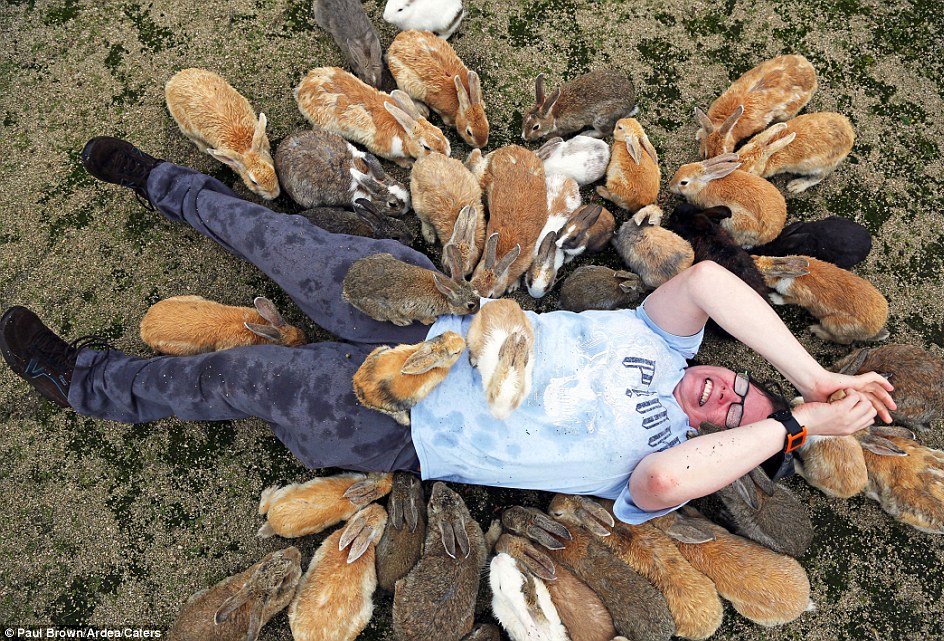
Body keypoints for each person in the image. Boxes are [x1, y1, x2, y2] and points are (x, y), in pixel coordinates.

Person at [0, 137, 895, 524]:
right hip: (433, 320)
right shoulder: (663, 343)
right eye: (738, 385)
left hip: (397, 425)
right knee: (289, 245)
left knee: (244, 377)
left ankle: (83, 383)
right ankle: (165, 185)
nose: (721, 396)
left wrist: (787, 428)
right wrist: (811, 379)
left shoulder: (658, 469)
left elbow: (670, 473)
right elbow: (704, 278)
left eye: (729, 416)